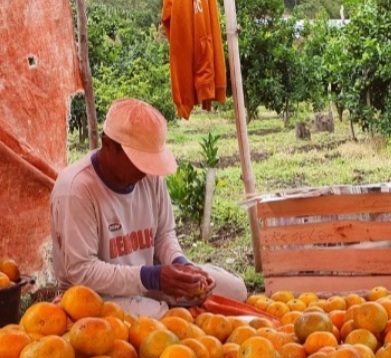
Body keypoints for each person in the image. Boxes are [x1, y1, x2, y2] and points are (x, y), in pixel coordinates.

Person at [51, 98, 247, 318]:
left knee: (235, 290)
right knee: (167, 320)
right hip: (95, 295)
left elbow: (164, 235)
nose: (144, 172)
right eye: (138, 162)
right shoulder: (76, 189)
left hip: (146, 281)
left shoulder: (149, 176)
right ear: (108, 145)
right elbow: (81, 272)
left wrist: (180, 264)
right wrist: (152, 277)